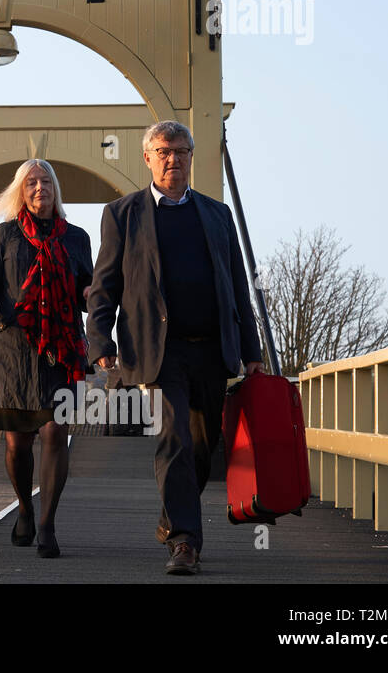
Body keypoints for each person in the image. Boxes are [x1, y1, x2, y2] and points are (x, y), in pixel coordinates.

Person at [86, 120, 264, 576]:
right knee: (176, 439)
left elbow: (237, 289)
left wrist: (252, 351)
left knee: (205, 447)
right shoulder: (122, 214)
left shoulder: (217, 214)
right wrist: (100, 339)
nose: (173, 159)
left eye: (181, 151)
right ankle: (185, 541)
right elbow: (104, 285)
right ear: (147, 158)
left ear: (191, 156)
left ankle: (172, 519)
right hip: (158, 352)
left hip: (212, 349)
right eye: (163, 151)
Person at [0, 159, 93, 558]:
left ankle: (47, 524)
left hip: (59, 351)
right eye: (32, 183)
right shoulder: (5, 236)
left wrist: (91, 295)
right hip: (13, 353)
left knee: (56, 432)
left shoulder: (77, 238)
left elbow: (87, 287)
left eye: (46, 182)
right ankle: (24, 507)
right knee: (18, 444)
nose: (40, 188)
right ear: (21, 192)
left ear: (56, 189)